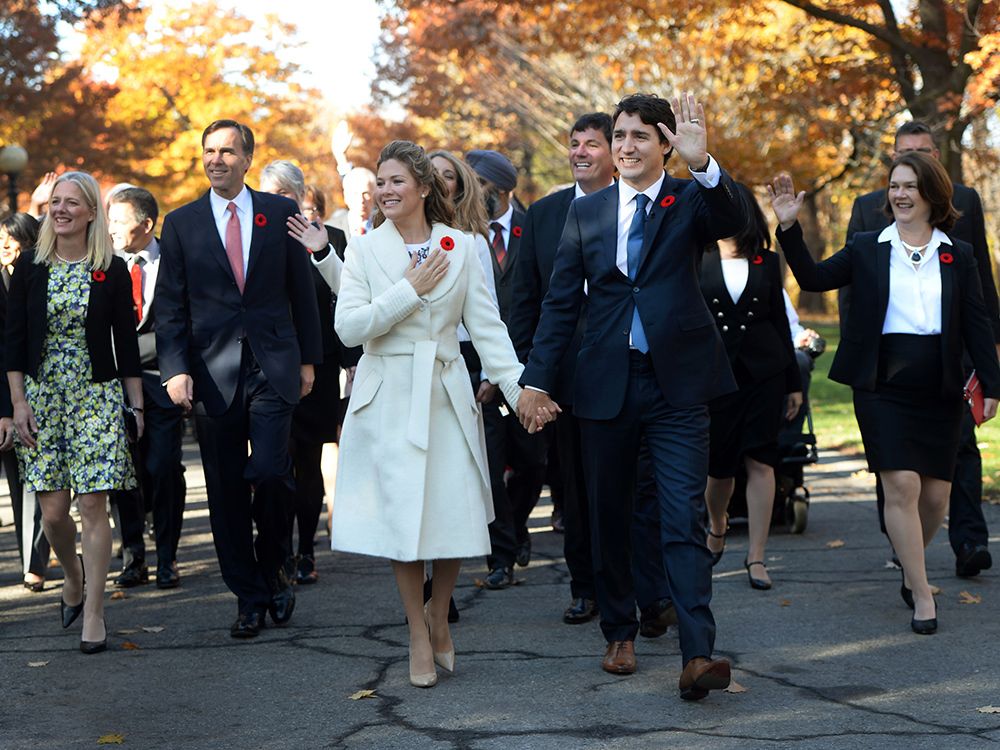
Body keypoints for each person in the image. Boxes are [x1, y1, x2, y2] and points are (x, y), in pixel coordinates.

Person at [518, 92, 747, 700]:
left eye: (639, 136)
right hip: (605, 385)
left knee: (682, 515)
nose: (625, 146)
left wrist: (705, 165)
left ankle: (699, 652)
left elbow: (736, 222)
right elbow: (561, 302)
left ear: (665, 144)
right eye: (619, 136)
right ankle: (618, 631)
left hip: (678, 385)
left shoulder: (689, 197)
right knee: (609, 513)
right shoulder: (586, 213)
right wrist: (535, 379)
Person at [331, 140, 535, 688]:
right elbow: (348, 329)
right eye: (381, 180)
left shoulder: (462, 246)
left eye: (398, 180)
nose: (386, 190)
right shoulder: (364, 249)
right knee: (402, 521)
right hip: (387, 395)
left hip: (445, 392)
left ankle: (438, 612)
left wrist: (521, 395)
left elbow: (490, 333)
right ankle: (417, 635)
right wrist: (407, 291)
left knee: (452, 515)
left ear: (424, 188)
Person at [769, 153, 1000, 635]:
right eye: (894, 185)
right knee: (902, 487)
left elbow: (977, 323)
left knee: (936, 496)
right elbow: (812, 278)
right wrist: (789, 228)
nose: (899, 194)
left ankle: (908, 555)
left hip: (940, 388)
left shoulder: (957, 253)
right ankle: (920, 594)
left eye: (910, 186)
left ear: (932, 195)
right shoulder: (867, 247)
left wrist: (992, 384)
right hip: (882, 388)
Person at [155, 119, 322, 639]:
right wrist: (175, 369)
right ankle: (248, 596)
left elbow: (303, 292)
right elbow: (169, 307)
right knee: (226, 489)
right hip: (211, 373)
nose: (216, 159)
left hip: (274, 364)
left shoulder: (279, 212)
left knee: (272, 473)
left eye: (228, 151)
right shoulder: (181, 224)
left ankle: (274, 565)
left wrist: (309, 360)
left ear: (248, 158)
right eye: (209, 151)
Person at [507, 112, 674, 632]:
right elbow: (526, 299)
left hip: (634, 370)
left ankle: (652, 595)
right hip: (565, 380)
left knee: (642, 490)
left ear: (614, 153)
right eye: (573, 144)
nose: (580, 152)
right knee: (578, 491)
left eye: (591, 144)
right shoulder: (545, 214)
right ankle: (587, 588)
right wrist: (528, 377)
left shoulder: (644, 209)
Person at [842, 121, 1000, 579]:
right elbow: (846, 286)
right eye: (904, 155)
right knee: (899, 474)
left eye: (924, 152)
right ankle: (907, 554)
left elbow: (979, 282)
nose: (913, 163)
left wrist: (991, 358)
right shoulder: (868, 209)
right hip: (885, 365)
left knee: (955, 458)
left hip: (951, 354)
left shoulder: (964, 202)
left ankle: (968, 539)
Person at [6, 171, 143, 654]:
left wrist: (136, 404)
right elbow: (14, 340)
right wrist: (16, 403)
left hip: (96, 395)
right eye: (55, 202)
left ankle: (94, 612)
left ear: (90, 212)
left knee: (92, 505)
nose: (60, 209)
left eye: (71, 203)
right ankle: (72, 575)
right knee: (54, 513)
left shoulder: (110, 268)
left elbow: (125, 342)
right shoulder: (30, 265)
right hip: (42, 397)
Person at [699, 184, 802, 589]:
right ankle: (718, 523)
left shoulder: (767, 260)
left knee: (762, 460)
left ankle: (757, 556)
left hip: (766, 375)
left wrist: (794, 383)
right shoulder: (697, 258)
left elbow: (780, 323)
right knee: (719, 468)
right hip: (716, 378)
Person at [259, 161, 347, 585]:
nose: (273, 202)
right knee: (274, 464)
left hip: (320, 362)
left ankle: (306, 550)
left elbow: (344, 297)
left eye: (282, 195)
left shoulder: (333, 239)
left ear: (298, 198)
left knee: (309, 460)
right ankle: (276, 549)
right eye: (267, 193)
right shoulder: (252, 238)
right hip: (266, 365)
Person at [465, 148, 548, 588]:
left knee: (533, 462)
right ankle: (500, 556)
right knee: (490, 464)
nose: (471, 193)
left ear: (501, 190)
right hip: (477, 368)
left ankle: (515, 528)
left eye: (479, 185)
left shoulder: (533, 225)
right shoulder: (459, 233)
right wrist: (485, 372)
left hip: (528, 367)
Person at [428, 148, 498, 619]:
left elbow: (488, 310)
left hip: (464, 356)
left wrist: (493, 372)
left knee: (453, 471)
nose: (438, 182)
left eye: (447, 176)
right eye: (429, 175)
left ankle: (442, 584)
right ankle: (427, 587)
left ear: (459, 185)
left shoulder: (472, 242)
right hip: (411, 362)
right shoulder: (385, 236)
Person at [107, 187, 187, 590]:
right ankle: (133, 556)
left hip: (163, 382)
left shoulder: (174, 260)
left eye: (119, 221)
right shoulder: (102, 265)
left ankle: (168, 559)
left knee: (163, 467)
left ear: (146, 224)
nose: (111, 228)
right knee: (125, 474)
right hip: (116, 383)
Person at [0, 213, 51, 591]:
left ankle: (34, 562)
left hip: (34, 393)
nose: (4, 244)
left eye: (12, 237)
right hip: (5, 396)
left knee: (32, 484)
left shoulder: (41, 275)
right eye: (0, 237)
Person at [330, 167, 376, 237]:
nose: (361, 200)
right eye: (355, 194)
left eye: (366, 193)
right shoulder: (330, 229)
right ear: (346, 196)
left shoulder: (388, 227)